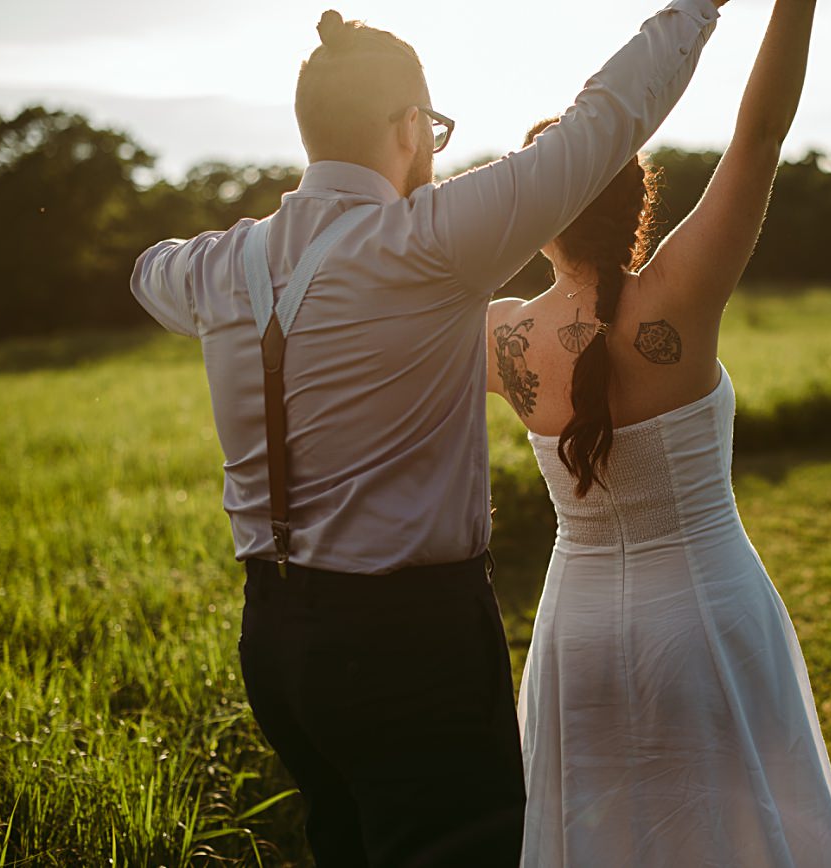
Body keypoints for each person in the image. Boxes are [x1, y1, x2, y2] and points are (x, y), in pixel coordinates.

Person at [130, 1, 725, 865]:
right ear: (409, 126)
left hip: (274, 640)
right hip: (412, 642)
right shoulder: (432, 241)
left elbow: (149, 272)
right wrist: (697, 9)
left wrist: (223, 267)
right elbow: (605, 122)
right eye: (434, 129)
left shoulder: (223, 265)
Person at [486, 0, 831, 864]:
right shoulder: (680, 293)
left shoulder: (499, 337)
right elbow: (760, 133)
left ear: (540, 209)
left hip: (574, 635)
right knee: (735, 831)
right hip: (705, 619)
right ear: (637, 199)